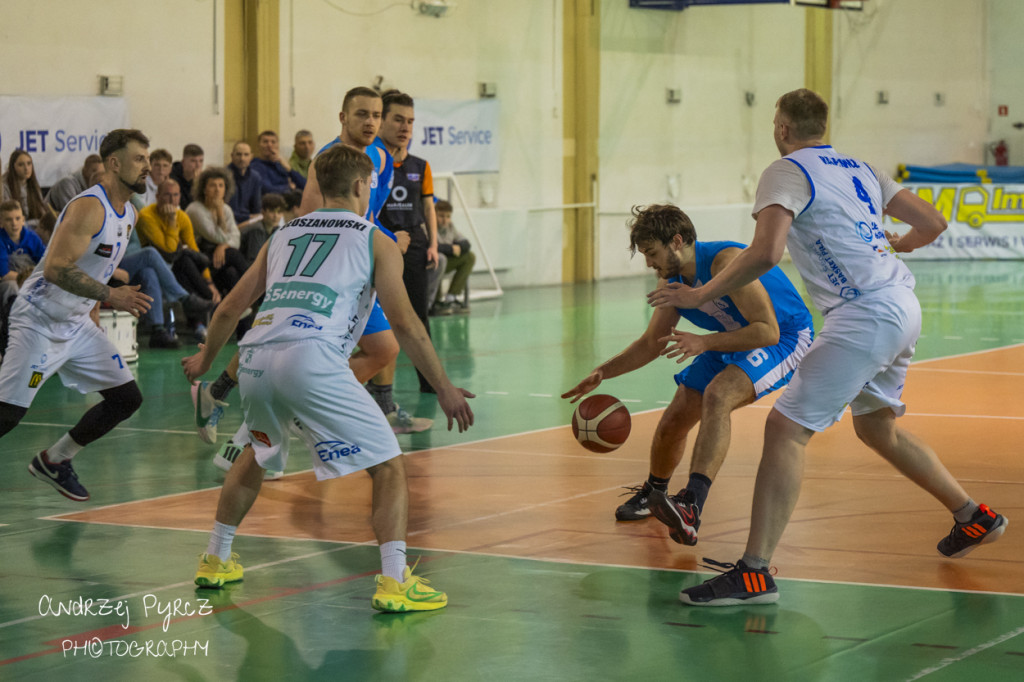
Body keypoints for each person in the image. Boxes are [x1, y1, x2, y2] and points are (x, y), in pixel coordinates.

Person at [648, 89, 1008, 606]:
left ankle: (753, 574)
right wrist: (900, 244)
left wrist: (700, 292)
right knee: (876, 426)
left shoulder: (786, 169)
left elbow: (766, 252)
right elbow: (933, 222)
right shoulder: (862, 167)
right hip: (901, 302)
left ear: (782, 129)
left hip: (864, 313)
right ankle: (974, 517)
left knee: (785, 429)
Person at [181, 144, 474, 613]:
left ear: (317, 183)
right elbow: (406, 324)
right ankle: (396, 581)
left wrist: (205, 363)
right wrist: (443, 388)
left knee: (256, 451)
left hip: (255, 358)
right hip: (313, 359)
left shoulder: (282, 235)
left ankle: (215, 560)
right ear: (362, 186)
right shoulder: (374, 238)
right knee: (387, 466)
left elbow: (231, 308)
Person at [563, 204, 813, 544]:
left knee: (718, 394)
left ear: (677, 241)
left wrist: (705, 341)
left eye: (651, 253)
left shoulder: (725, 263)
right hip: (726, 341)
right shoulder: (673, 281)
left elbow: (767, 331)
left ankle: (691, 505)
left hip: (782, 338)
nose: (649, 264)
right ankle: (655, 495)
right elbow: (652, 343)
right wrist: (603, 372)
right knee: (673, 421)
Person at [0, 129, 153, 502]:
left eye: (148, 159)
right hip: (39, 319)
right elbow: (55, 268)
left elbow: (95, 270)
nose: (147, 167)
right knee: (6, 416)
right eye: (139, 159)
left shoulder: (129, 213)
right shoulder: (90, 206)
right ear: (113, 164)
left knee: (126, 398)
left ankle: (55, 460)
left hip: (77, 324)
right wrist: (111, 295)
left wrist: (96, 312)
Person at [297, 86, 424, 432]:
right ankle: (219, 390)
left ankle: (321, 410)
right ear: (343, 117)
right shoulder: (327, 160)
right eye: (363, 115)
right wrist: (384, 242)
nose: (371, 122)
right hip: (324, 274)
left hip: (357, 269)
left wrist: (385, 239)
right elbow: (307, 221)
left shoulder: (377, 160)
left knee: (384, 348)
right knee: (277, 346)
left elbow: (366, 217)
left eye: (376, 115)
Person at [377, 90, 440, 394]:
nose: (405, 127)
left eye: (410, 122)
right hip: (381, 241)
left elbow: (429, 207)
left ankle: (429, 384)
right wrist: (388, 239)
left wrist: (433, 243)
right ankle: (370, 390)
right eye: (398, 119)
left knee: (417, 314)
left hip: (412, 240)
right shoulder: (371, 162)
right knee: (375, 317)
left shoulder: (420, 166)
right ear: (382, 120)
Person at [136, 179, 222, 339]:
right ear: (158, 196)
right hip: (153, 265)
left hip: (175, 265)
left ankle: (203, 305)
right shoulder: (147, 215)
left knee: (189, 261)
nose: (171, 200)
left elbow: (194, 250)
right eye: (167, 195)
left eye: (175, 195)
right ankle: (205, 308)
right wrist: (171, 221)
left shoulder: (182, 216)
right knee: (183, 260)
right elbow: (167, 249)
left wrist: (210, 283)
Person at [186, 167, 250, 301]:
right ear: (204, 189)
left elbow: (236, 239)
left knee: (231, 273)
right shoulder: (195, 209)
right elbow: (219, 237)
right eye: (212, 185)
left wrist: (223, 246)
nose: (217, 189)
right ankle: (257, 294)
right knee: (232, 254)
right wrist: (219, 213)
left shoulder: (226, 209)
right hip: (199, 260)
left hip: (219, 260)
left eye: (221, 186)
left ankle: (240, 309)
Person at [429, 199, 475, 315]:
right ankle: (435, 301)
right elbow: (428, 247)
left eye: (448, 217)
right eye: (441, 216)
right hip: (430, 264)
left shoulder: (450, 227)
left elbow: (466, 243)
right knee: (439, 259)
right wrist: (451, 249)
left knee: (469, 257)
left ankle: (451, 297)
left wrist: (457, 247)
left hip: (445, 262)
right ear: (434, 214)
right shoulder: (428, 225)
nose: (445, 220)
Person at [3, 149, 54, 230]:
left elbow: (42, 215)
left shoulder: (33, 185)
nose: (26, 168)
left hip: (31, 228)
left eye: (29, 164)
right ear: (13, 167)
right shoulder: (4, 186)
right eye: (21, 165)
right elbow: (8, 216)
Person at [250, 130, 306, 195]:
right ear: (259, 145)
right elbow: (267, 189)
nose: (269, 145)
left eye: (273, 142)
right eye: (265, 142)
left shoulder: (280, 165)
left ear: (277, 145)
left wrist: (289, 170)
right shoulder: (255, 166)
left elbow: (305, 186)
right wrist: (289, 187)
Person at [227, 141, 263, 229]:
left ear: (251, 157)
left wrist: (254, 217)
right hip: (230, 220)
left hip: (249, 220)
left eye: (246, 155)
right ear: (232, 156)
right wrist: (248, 217)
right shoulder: (224, 176)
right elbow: (227, 210)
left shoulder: (255, 177)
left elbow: (256, 207)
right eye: (238, 154)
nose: (242, 158)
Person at [240, 193, 285, 262]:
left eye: (279, 212)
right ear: (263, 211)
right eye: (271, 211)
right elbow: (254, 260)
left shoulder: (277, 230)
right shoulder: (257, 229)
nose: (275, 216)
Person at [170, 144, 204, 208]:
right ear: (183, 162)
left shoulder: (202, 178)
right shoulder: (172, 178)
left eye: (201, 161)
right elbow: (186, 207)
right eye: (193, 161)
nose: (198, 165)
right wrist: (196, 185)